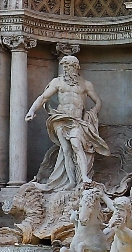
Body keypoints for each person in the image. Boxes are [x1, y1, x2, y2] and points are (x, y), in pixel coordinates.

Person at [27, 55, 111, 190]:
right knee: (66, 150)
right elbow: (43, 97)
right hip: (60, 118)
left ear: (76, 67)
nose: (66, 69)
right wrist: (32, 110)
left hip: (76, 120)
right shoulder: (57, 82)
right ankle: (71, 181)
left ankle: (84, 177)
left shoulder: (85, 84)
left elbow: (98, 101)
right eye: (64, 66)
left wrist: (93, 112)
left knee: (76, 144)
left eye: (69, 66)